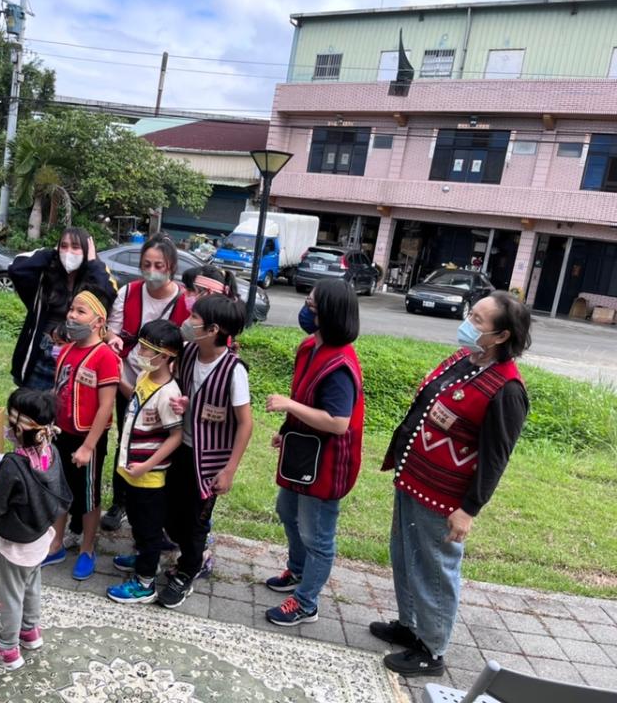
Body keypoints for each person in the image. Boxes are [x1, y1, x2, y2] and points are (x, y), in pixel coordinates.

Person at [370, 291, 531, 677]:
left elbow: (495, 458)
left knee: (435, 570)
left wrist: (469, 509)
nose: (467, 323)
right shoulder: (464, 359)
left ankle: (432, 649)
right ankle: (411, 627)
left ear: (501, 337)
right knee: (406, 557)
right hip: (415, 478)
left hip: (445, 497)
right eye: (470, 314)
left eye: (478, 320)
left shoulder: (507, 389)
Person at [263, 279, 365, 626]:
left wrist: (288, 405)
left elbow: (338, 422)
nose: (304, 310)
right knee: (286, 509)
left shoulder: (340, 366)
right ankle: (297, 570)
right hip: (302, 452)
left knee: (318, 535)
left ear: (329, 315)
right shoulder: (309, 347)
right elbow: (306, 399)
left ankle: (306, 603)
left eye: (311, 305)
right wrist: (285, 430)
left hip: (328, 462)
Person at [158, 294, 252, 608]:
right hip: (178, 450)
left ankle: (188, 570)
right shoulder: (187, 353)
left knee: (195, 521)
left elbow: (245, 424)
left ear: (212, 329)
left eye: (194, 317)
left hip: (209, 462)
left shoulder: (233, 370)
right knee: (170, 513)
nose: (187, 321)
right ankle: (194, 554)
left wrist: (230, 469)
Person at [0, 388, 72, 671]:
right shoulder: (51, 451)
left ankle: (6, 649)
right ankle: (30, 631)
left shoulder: (13, 464)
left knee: (10, 594)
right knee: (31, 585)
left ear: (18, 429)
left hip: (17, 543)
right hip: (40, 534)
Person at [103, 234, 193, 531]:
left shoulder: (184, 301)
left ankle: (156, 502)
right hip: (128, 379)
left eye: (159, 265)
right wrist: (113, 339)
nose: (152, 271)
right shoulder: (128, 292)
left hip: (165, 388)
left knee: (163, 439)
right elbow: (111, 331)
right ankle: (120, 501)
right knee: (127, 437)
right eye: (146, 264)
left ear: (171, 267)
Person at [44, 288, 120, 580]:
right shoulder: (65, 351)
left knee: (87, 496)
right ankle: (56, 542)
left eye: (80, 312)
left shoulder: (105, 357)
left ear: (98, 321)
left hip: (88, 438)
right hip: (61, 433)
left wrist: (89, 446)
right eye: (72, 310)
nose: (72, 316)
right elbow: (58, 391)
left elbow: (106, 407)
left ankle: (87, 548)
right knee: (59, 488)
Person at [106, 320, 184, 604]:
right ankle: (142, 558)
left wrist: (147, 465)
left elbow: (175, 436)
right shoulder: (144, 377)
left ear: (166, 356)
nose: (139, 352)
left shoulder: (169, 394)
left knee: (150, 530)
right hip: (132, 469)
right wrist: (119, 379)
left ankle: (145, 583)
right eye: (140, 345)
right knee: (138, 523)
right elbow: (135, 401)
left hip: (149, 476)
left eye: (147, 349)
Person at [9, 228, 117, 390]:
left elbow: (107, 295)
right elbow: (16, 268)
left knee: (66, 409)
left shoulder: (97, 273)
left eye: (75, 247)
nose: (69, 252)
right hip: (42, 351)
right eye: (64, 246)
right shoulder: (47, 274)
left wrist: (93, 263)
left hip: (78, 353)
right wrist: (52, 254)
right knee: (32, 408)